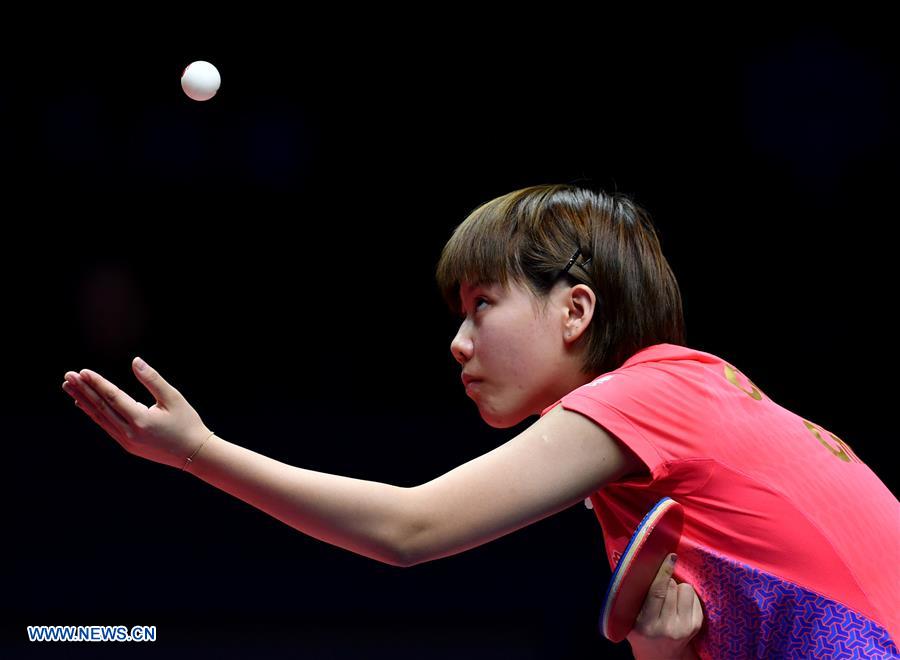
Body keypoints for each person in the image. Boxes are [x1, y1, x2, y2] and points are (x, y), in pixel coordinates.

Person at [62, 184, 898, 659]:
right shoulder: (666, 442)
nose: (458, 343)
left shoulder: (651, 393)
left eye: (483, 305)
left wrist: (199, 454)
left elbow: (410, 527)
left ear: (575, 310)